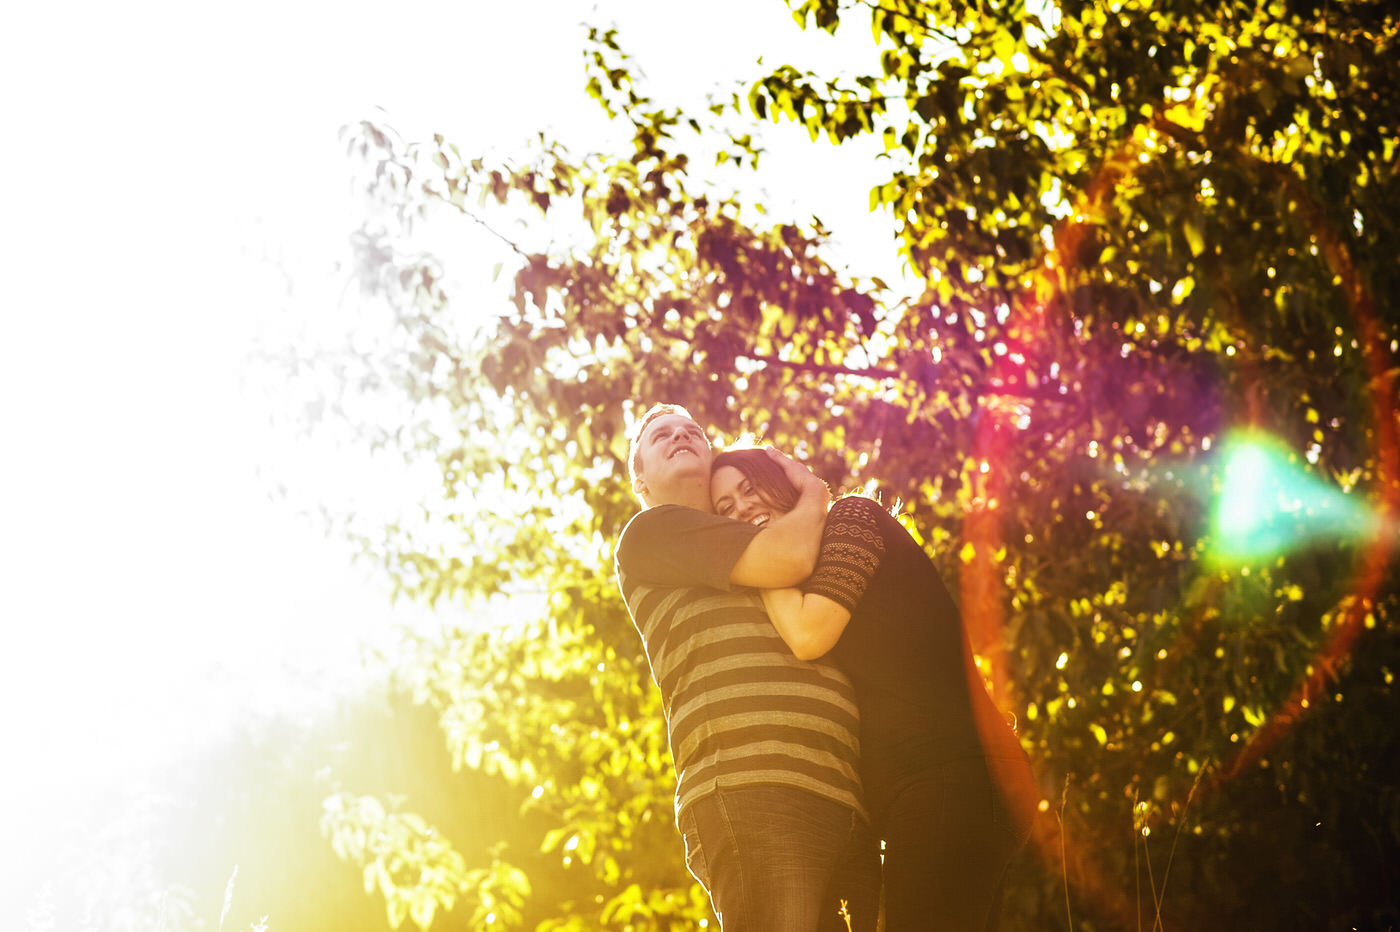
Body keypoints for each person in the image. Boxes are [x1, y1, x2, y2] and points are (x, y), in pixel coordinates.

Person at [710, 447, 1040, 931]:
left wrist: (777, 538)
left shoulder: (854, 520)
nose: (742, 508)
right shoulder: (811, 577)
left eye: (749, 488)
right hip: (947, 788)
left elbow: (808, 634)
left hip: (953, 777)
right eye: (725, 509)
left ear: (781, 481)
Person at [613, 404, 882, 932]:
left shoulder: (751, 533)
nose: (680, 435)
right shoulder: (653, 532)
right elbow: (793, 559)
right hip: (753, 785)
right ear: (640, 482)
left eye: (692, 430)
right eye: (661, 435)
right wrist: (813, 492)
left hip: (839, 790)